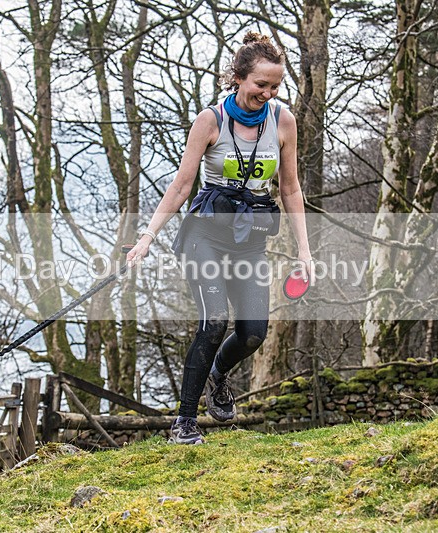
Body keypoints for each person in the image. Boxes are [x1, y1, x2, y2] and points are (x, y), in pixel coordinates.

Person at [126, 31, 312, 444]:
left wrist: (304, 250)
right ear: (239, 78)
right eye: (260, 84)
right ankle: (185, 424)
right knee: (214, 322)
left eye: (275, 86)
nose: (267, 93)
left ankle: (219, 374)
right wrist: (147, 236)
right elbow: (181, 186)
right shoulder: (211, 121)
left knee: (252, 334)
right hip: (205, 235)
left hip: (249, 240)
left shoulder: (283, 121)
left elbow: (291, 189)